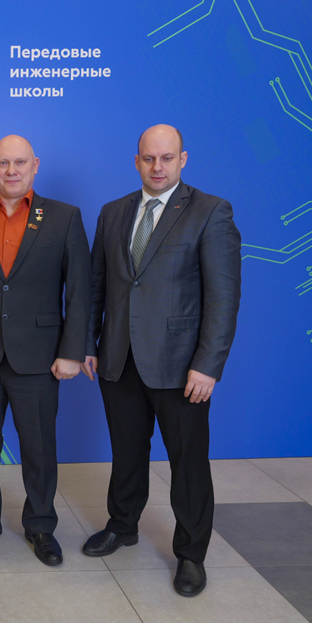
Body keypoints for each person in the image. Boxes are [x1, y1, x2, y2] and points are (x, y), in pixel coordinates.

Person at [81, 124, 242, 597]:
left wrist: (208, 364)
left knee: (187, 463)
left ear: (183, 159)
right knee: (126, 452)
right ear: (136, 161)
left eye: (167, 158)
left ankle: (191, 554)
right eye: (149, 158)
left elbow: (223, 297)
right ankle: (122, 524)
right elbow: (96, 285)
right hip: (119, 359)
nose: (157, 167)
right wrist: (88, 343)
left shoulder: (210, 211)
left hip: (181, 366)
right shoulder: (113, 212)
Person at [0, 135, 91, 566]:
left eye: (20, 162)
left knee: (39, 449)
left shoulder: (64, 217)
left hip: (40, 357)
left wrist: (72, 351)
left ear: (35, 165)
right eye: (3, 163)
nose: (12, 171)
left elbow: (79, 291)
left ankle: (41, 526)